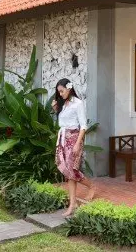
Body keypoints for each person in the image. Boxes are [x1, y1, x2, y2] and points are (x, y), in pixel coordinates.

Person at [52, 78, 96, 216]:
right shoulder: (62, 103)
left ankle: (72, 204)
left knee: (71, 172)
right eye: (59, 92)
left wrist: (77, 144)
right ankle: (90, 187)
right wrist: (56, 109)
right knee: (68, 171)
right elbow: (62, 122)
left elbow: (83, 126)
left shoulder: (78, 103)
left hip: (74, 139)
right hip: (63, 139)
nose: (60, 94)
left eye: (62, 91)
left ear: (69, 88)